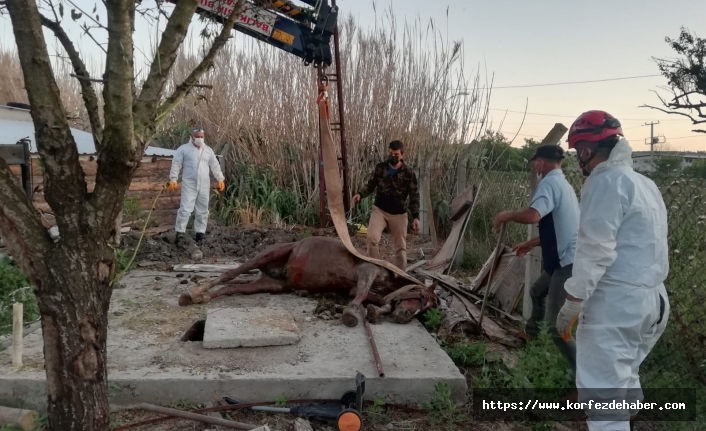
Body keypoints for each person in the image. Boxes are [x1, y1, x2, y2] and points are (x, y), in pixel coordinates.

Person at [556, 110, 670, 431]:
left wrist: (573, 301)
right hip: (654, 301)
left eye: (579, 153)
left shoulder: (603, 181)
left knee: (603, 403)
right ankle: (632, 418)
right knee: (626, 371)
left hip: (617, 306)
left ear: (587, 151)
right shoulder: (644, 183)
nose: (580, 161)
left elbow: (594, 248)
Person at [493, 144, 579, 372]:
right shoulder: (564, 185)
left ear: (540, 162)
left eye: (535, 163)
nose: (534, 167)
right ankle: (530, 335)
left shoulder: (549, 183)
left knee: (556, 327)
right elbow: (560, 228)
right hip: (563, 259)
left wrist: (507, 215)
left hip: (566, 263)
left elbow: (534, 215)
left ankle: (586, 383)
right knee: (537, 291)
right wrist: (530, 243)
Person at [351, 140, 420, 270]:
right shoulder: (380, 167)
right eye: (391, 153)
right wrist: (360, 194)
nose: (393, 156)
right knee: (371, 238)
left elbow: (414, 195)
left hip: (399, 213)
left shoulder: (409, 172)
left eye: (396, 154)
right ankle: (376, 269)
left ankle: (400, 275)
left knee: (400, 247)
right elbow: (370, 185)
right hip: (380, 210)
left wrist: (416, 216)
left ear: (402, 155)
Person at [167, 128, 225, 242]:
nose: (199, 138)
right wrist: (173, 178)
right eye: (197, 136)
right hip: (190, 184)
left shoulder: (208, 150)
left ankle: (200, 232)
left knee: (203, 210)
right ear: (192, 136)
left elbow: (214, 165)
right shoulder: (184, 149)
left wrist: (220, 178)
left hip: (204, 185)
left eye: (201, 136)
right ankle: (180, 232)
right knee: (185, 208)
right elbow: (176, 163)